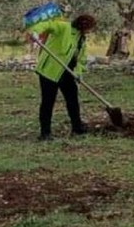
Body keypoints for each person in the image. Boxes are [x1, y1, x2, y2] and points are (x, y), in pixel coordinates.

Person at [28, 12, 97, 140]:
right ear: (83, 25)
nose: (89, 31)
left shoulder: (81, 39)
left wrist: (78, 73)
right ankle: (45, 133)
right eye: (89, 28)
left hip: (68, 74)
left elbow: (81, 59)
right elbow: (46, 24)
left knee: (73, 100)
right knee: (48, 102)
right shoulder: (63, 27)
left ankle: (77, 127)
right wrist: (36, 32)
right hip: (49, 72)